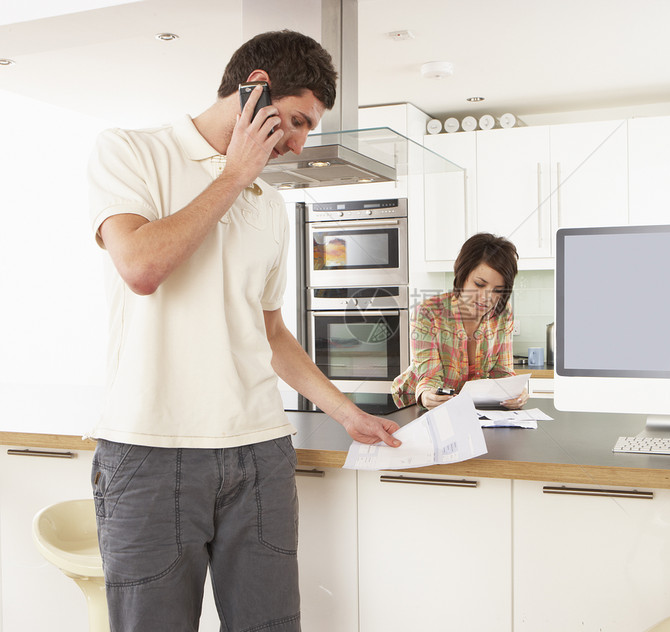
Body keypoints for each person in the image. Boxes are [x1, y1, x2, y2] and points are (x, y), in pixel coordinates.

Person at [87, 29, 400, 631]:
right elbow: (141, 268)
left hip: (259, 454)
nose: (301, 143)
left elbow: (272, 331)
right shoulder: (131, 151)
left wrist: (345, 412)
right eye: (296, 120)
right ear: (255, 90)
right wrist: (232, 176)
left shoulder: (269, 204)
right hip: (151, 452)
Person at [392, 233, 529, 410]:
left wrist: (515, 392)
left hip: (471, 408)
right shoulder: (429, 313)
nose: (487, 297)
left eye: (498, 290)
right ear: (462, 275)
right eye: (479, 284)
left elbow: (502, 372)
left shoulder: (502, 313)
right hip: (415, 408)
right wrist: (428, 395)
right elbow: (429, 377)